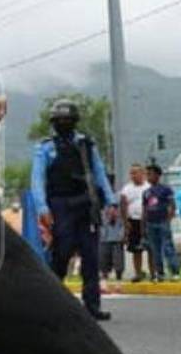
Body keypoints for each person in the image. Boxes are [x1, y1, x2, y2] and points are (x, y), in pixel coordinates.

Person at [31, 99, 117, 321]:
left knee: (91, 257)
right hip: (60, 205)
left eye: (68, 120)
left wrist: (111, 201)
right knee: (61, 254)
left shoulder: (86, 144)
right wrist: (42, 207)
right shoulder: (45, 147)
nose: (64, 123)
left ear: (75, 121)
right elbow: (37, 180)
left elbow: (99, 173)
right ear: (53, 122)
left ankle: (92, 306)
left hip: (86, 205)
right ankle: (51, 302)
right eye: (60, 120)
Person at [141, 164, 180, 282]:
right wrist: (144, 224)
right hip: (150, 223)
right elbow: (144, 208)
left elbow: (172, 205)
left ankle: (174, 271)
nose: (148, 177)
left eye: (151, 174)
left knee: (167, 247)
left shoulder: (165, 189)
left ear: (158, 175)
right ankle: (160, 272)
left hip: (162, 221)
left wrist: (169, 218)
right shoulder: (146, 192)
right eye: (147, 174)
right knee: (155, 249)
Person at [118, 163, 148, 282]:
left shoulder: (148, 187)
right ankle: (138, 273)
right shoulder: (127, 189)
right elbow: (123, 205)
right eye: (131, 173)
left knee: (150, 247)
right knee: (136, 249)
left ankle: (155, 272)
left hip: (146, 221)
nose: (133, 175)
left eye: (135, 173)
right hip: (133, 221)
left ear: (142, 174)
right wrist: (126, 223)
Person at [98, 205, 125, 281]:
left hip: (116, 239)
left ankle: (119, 279)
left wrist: (122, 235)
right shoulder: (102, 211)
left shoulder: (119, 212)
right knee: (103, 261)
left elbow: (123, 224)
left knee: (118, 261)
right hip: (104, 239)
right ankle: (104, 279)